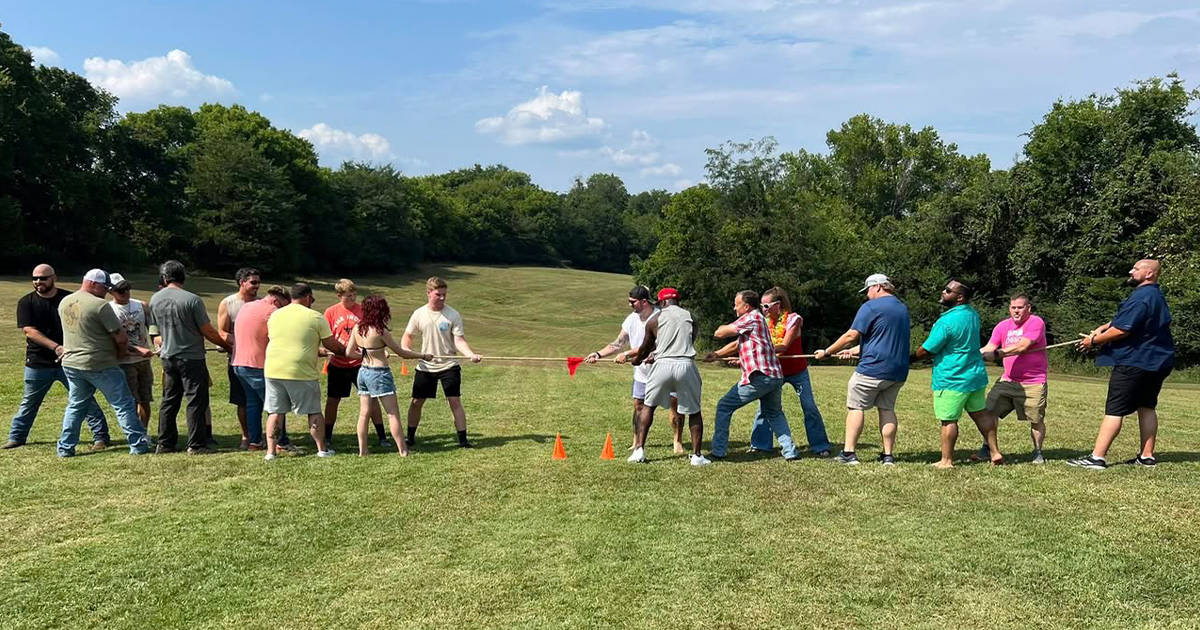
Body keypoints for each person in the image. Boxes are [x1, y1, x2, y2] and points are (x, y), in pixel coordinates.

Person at [1070, 259, 1175, 469]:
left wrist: (1092, 341)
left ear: (1149, 274)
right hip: (1157, 361)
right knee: (1146, 406)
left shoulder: (1142, 297)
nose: (1131, 271)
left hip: (1135, 361)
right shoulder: (1154, 295)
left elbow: (1123, 329)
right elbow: (1124, 320)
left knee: (1114, 409)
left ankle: (1097, 458)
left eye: (1136, 269)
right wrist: (1102, 327)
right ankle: (1147, 457)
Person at [4, 264, 110, 450]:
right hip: (38, 362)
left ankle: (101, 437)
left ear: (54, 278)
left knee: (85, 400)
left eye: (43, 278)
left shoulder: (68, 299)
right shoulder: (26, 302)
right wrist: (56, 347)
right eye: (35, 278)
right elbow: (29, 331)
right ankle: (17, 437)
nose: (38, 282)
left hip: (70, 361)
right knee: (29, 402)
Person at [814, 274, 911, 465]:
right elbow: (882, 338)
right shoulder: (902, 308)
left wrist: (827, 352)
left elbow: (851, 335)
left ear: (877, 287)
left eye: (867, 290)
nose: (867, 295)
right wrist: (853, 351)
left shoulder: (871, 307)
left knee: (856, 407)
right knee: (887, 409)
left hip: (873, 369)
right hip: (898, 371)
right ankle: (888, 456)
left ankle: (849, 454)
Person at [55, 270, 151, 457]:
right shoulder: (100, 306)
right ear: (92, 283)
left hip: (72, 363)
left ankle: (65, 448)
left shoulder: (65, 301)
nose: (106, 292)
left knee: (75, 406)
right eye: (104, 287)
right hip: (100, 364)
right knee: (123, 404)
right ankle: (138, 445)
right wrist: (124, 353)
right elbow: (121, 337)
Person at [584, 285, 684, 454]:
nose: (629, 304)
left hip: (665, 369)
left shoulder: (660, 318)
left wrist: (628, 354)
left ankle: (677, 441)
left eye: (632, 302)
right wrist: (598, 354)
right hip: (642, 373)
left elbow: (650, 345)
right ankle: (636, 441)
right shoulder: (631, 319)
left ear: (644, 302)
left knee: (674, 405)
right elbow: (617, 343)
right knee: (638, 406)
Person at [704, 290, 800, 462]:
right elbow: (736, 343)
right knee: (775, 413)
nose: (734, 308)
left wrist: (720, 329)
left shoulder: (752, 318)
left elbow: (719, 333)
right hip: (775, 376)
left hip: (760, 377)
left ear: (746, 306)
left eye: (736, 304)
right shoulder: (757, 320)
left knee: (724, 406)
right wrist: (717, 354)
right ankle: (790, 451)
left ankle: (718, 451)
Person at [914, 280, 1000, 468]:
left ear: (959, 297)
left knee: (948, 420)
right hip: (975, 376)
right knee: (981, 414)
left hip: (952, 378)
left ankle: (946, 460)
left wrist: (910, 359)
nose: (943, 292)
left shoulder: (946, 321)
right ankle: (994, 452)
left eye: (948, 290)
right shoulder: (973, 315)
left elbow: (928, 349)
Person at [149, 260, 232, 454]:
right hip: (191, 358)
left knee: (169, 400)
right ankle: (196, 444)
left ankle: (165, 443)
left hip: (168, 357)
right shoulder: (192, 299)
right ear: (183, 277)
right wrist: (226, 346)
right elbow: (208, 331)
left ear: (164, 278)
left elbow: (155, 332)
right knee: (196, 401)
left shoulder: (154, 299)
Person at [263, 283, 346, 460]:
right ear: (308, 297)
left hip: (273, 368)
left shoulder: (275, 315)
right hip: (300, 371)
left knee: (275, 411)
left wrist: (315, 349)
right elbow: (331, 345)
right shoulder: (315, 317)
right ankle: (321, 449)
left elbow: (290, 340)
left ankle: (271, 452)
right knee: (313, 411)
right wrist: (346, 351)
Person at [627, 288, 709, 465]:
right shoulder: (691, 317)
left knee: (648, 406)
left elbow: (645, 348)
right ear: (677, 301)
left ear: (662, 302)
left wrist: (637, 360)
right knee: (694, 410)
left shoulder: (655, 319)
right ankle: (696, 456)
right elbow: (689, 341)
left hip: (662, 366)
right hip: (686, 365)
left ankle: (639, 450)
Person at [746, 287, 831, 457]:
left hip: (797, 371)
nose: (763, 310)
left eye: (766, 306)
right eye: (762, 306)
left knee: (809, 406)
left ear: (777, 305)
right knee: (764, 407)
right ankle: (760, 445)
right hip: (774, 371)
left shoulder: (794, 320)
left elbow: (783, 347)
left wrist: (759, 349)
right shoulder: (763, 321)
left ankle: (820, 446)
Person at [343, 295, 432, 456]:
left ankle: (363, 450)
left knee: (364, 414)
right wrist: (423, 355)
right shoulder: (380, 331)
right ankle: (403, 450)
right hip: (379, 374)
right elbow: (402, 352)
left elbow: (349, 353)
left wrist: (364, 356)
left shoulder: (358, 328)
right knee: (392, 413)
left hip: (363, 372)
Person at [401, 277, 483, 449]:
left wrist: (470, 354)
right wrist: (407, 351)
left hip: (449, 365)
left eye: (444, 295)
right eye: (438, 294)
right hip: (425, 366)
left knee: (454, 401)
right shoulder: (418, 314)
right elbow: (407, 337)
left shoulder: (453, 314)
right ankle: (410, 438)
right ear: (428, 293)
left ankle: (463, 440)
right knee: (416, 402)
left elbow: (459, 341)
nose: (442, 298)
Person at [974, 293, 1049, 464]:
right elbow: (990, 346)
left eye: (1020, 307)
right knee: (989, 411)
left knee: (1036, 419)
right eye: (1013, 307)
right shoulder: (1002, 326)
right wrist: (974, 354)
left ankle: (1037, 452)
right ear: (1009, 308)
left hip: (1033, 381)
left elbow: (1022, 346)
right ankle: (988, 447)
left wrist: (998, 354)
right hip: (1008, 379)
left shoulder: (1035, 322)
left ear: (1028, 308)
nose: (1016, 311)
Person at [322, 279, 390, 450]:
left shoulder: (362, 311)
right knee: (332, 400)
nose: (352, 299)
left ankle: (382, 436)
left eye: (354, 295)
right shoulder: (330, 312)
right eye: (348, 297)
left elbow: (374, 333)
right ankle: (327, 436)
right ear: (339, 296)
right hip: (338, 364)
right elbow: (326, 337)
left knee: (371, 400)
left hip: (362, 364)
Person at [231, 285, 295, 451]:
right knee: (276, 405)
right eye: (283, 306)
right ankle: (281, 442)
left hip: (239, 363)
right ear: (275, 300)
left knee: (252, 404)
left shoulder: (248, 306)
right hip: (257, 365)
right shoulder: (272, 311)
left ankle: (255, 441)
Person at [217, 267, 259, 449]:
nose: (257, 286)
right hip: (238, 360)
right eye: (253, 282)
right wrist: (244, 341)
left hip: (261, 360)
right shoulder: (228, 303)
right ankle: (245, 436)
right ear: (242, 283)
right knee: (242, 400)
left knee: (265, 399)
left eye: (258, 282)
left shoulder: (261, 304)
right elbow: (222, 332)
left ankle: (264, 436)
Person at [107, 273, 155, 428]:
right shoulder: (108, 310)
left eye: (127, 288)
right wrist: (137, 350)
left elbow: (153, 331)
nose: (126, 293)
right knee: (131, 400)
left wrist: (159, 344)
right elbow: (114, 339)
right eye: (121, 290)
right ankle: (135, 433)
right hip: (125, 362)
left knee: (145, 398)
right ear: (111, 292)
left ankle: (144, 431)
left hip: (144, 361)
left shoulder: (142, 305)